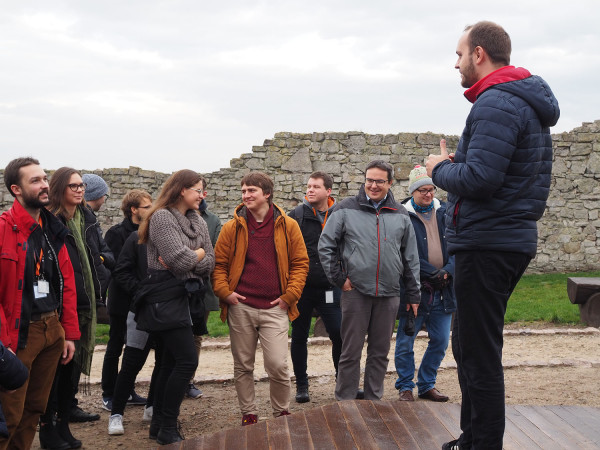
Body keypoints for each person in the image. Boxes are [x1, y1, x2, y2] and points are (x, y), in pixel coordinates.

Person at [425, 21, 559, 450]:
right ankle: (472, 437)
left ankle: (484, 445)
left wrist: (437, 169)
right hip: (499, 239)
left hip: (488, 243)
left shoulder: (496, 102)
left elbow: (480, 178)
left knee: (479, 353)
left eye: (460, 54)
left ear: (479, 54)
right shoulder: (517, 101)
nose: (456, 63)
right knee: (467, 345)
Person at [318, 160, 420, 401]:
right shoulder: (344, 209)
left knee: (379, 352)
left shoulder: (401, 213)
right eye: (369, 180)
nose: (373, 186)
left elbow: (411, 258)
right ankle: (345, 401)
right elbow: (326, 246)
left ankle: (374, 401)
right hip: (355, 292)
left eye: (379, 181)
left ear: (390, 183)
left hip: (389, 293)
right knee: (350, 351)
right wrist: (340, 279)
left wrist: (414, 295)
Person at [212, 172, 308, 426]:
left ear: (267, 194)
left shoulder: (288, 225)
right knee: (243, 364)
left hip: (276, 306)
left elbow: (300, 264)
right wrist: (225, 293)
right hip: (240, 305)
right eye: (243, 191)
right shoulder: (232, 227)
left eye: (251, 190)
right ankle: (249, 413)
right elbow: (219, 265)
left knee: (277, 364)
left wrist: (289, 296)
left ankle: (281, 412)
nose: (246, 195)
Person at [0, 157, 79, 450]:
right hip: (19, 333)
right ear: (16, 189)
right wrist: (4, 340)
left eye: (44, 178)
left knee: (34, 409)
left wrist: (68, 332)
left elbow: (67, 282)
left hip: (52, 328)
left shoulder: (52, 228)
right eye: (35, 180)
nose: (45, 185)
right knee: (9, 413)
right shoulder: (4, 228)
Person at [137, 169, 215, 445]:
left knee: (170, 362)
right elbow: (179, 261)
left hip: (188, 299)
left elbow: (208, 261)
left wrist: (196, 256)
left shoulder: (197, 220)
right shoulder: (160, 218)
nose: (201, 195)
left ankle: (159, 426)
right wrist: (196, 255)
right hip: (166, 299)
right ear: (182, 189)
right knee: (186, 361)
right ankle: (168, 425)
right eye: (197, 189)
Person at [40, 167, 110, 449]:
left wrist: (105, 266)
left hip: (84, 304)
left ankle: (63, 426)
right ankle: (48, 430)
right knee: (54, 373)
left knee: (70, 372)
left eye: (81, 186)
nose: (80, 190)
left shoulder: (85, 218)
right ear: (60, 189)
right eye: (73, 186)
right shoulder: (51, 222)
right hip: (60, 304)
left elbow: (95, 255)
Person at [394, 165, 455, 403]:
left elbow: (458, 243)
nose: (428, 194)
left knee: (440, 340)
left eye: (431, 189)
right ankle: (405, 385)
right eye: (422, 190)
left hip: (444, 289)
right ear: (413, 192)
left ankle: (427, 384)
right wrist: (432, 272)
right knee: (405, 341)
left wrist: (448, 271)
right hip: (414, 290)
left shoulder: (445, 211)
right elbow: (401, 252)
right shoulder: (401, 214)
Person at [288, 171, 342, 403]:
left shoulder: (340, 214)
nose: (310, 190)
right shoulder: (296, 216)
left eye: (316, 187)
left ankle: (344, 382)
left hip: (331, 287)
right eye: (308, 186)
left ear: (328, 191)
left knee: (339, 334)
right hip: (302, 288)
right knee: (299, 336)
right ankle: (302, 385)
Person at [101, 190, 153, 411]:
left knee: (134, 349)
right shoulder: (116, 233)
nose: (151, 210)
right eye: (146, 207)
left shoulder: (149, 232)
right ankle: (109, 393)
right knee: (115, 346)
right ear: (134, 210)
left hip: (140, 302)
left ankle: (127, 390)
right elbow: (116, 268)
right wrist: (137, 289)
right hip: (122, 301)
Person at [108, 227, 161, 436]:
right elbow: (121, 270)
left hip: (169, 309)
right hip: (141, 309)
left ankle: (151, 406)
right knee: (131, 362)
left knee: (164, 361)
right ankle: (116, 414)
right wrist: (140, 291)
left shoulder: (177, 236)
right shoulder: (137, 237)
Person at [186, 176, 222, 400]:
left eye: (201, 191)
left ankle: (188, 380)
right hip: (177, 287)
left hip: (203, 287)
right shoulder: (169, 218)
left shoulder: (212, 220)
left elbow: (215, 253)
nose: (199, 195)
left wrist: (193, 260)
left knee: (196, 335)